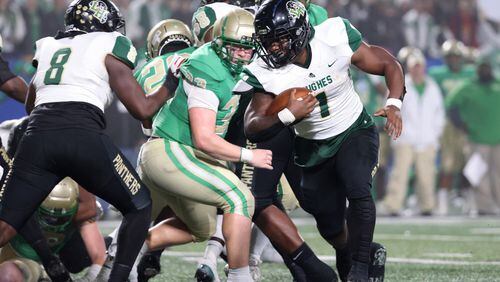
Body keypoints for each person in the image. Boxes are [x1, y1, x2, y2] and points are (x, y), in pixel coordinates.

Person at [0, 0, 176, 280]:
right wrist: (170, 84)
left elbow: (31, 105)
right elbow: (142, 108)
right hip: (82, 133)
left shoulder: (49, 45)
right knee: (140, 207)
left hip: (38, 136)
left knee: (6, 225)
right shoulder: (109, 42)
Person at [244, 0, 404, 281]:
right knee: (330, 225)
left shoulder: (334, 36)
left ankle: (361, 270)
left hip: (353, 130)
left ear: (299, 32)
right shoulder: (265, 70)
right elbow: (252, 126)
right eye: (267, 41)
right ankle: (348, 254)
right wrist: (286, 116)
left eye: (279, 39)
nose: (273, 48)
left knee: (359, 189)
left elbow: (388, 63)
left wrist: (393, 103)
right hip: (312, 147)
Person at [134, 9, 271, 282]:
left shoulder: (240, 66)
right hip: (170, 150)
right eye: (236, 48)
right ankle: (240, 276)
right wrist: (248, 156)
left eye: (249, 49)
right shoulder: (206, 65)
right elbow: (204, 138)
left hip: (184, 154)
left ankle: (122, 249)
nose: (244, 55)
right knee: (240, 198)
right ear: (219, 44)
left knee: (202, 227)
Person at [0, 177, 106, 282]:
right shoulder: (16, 209)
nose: (55, 220)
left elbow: (99, 257)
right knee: (8, 275)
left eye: (62, 217)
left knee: (86, 258)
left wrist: (90, 278)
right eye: (49, 217)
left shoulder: (83, 212)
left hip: (60, 260)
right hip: (19, 258)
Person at [379, 51, 445, 216]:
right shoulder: (399, 85)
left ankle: (427, 206)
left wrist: (435, 134)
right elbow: (389, 108)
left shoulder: (432, 87)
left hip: (427, 138)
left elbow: (439, 113)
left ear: (424, 67)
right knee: (400, 174)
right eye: (414, 67)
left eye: (420, 66)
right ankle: (393, 206)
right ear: (409, 68)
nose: (417, 70)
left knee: (427, 175)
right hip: (405, 137)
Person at [447, 56, 500, 215]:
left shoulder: (498, 84)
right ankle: (484, 207)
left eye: (487, 67)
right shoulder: (467, 86)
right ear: (477, 69)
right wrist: (461, 125)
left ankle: (497, 204)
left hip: (498, 138)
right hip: (476, 139)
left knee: (498, 174)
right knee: (479, 175)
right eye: (481, 67)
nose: (484, 70)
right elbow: (451, 105)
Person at [428, 39, 475, 215]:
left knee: (468, 164)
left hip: (467, 123)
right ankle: (442, 202)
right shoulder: (437, 74)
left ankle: (470, 202)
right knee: (447, 164)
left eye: (456, 56)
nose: (454, 60)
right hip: (447, 123)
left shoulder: (470, 73)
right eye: (450, 57)